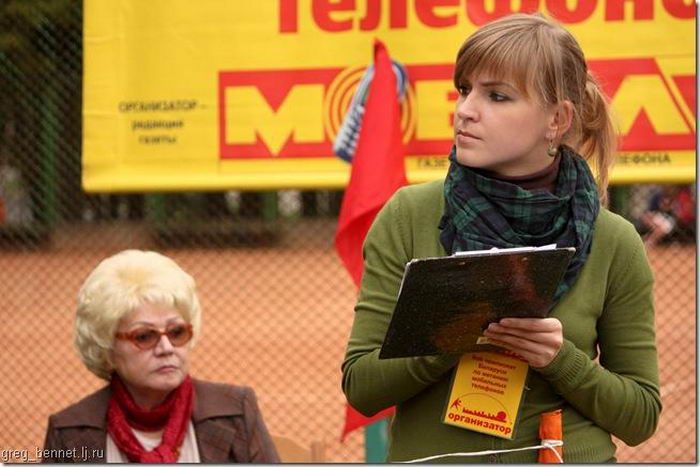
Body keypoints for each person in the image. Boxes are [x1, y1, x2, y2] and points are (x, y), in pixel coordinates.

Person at [342, 13, 661, 463]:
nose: (466, 109)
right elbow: (361, 388)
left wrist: (560, 359)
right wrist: (451, 335)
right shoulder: (409, 215)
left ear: (557, 119)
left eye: (496, 96)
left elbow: (640, 417)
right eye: (464, 89)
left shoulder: (614, 241)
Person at [42, 249, 280, 463]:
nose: (166, 348)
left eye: (176, 332)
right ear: (107, 346)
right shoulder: (69, 432)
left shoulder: (235, 410)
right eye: (144, 336)